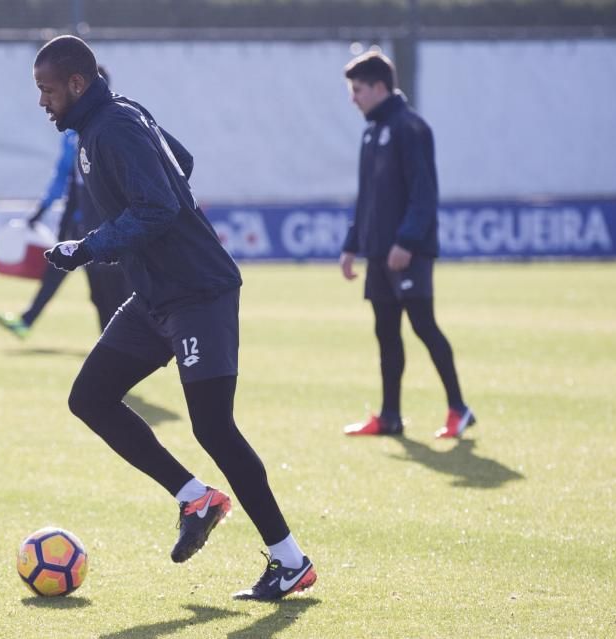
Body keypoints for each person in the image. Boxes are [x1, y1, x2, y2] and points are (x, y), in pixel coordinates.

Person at [33, 35, 316, 601]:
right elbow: (179, 163)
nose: (42, 102)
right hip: (155, 294)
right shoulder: (115, 118)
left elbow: (159, 205)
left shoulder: (113, 126)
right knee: (89, 397)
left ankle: (291, 560)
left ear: (77, 84)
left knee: (213, 426)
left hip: (198, 292)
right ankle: (194, 497)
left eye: (46, 90)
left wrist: (89, 246)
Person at [338, 52, 474, 439]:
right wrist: (351, 245)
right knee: (386, 332)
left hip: (406, 252)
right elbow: (367, 197)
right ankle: (390, 416)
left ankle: (459, 409)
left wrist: (407, 241)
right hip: (380, 252)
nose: (354, 99)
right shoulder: (371, 131)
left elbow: (424, 194)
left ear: (380, 87)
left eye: (358, 90)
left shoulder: (410, 127)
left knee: (423, 326)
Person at [0, 67, 130, 339]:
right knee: (88, 283)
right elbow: (65, 180)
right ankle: (112, 344)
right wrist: (45, 211)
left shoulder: (115, 128)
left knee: (112, 287)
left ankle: (127, 342)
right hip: (81, 219)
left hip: (107, 224)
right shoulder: (74, 135)